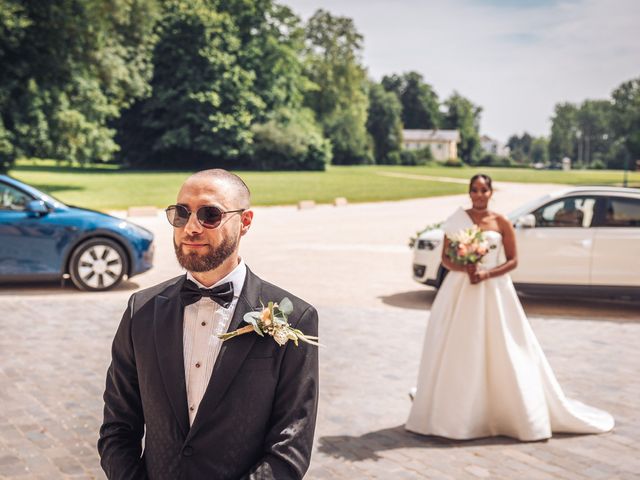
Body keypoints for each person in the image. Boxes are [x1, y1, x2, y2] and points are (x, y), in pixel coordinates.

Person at [98, 169, 319, 479]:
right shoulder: (141, 310)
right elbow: (118, 427)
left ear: (245, 222)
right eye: (181, 213)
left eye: (209, 215)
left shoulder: (296, 316)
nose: (191, 227)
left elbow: (290, 447)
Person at [405, 174, 614, 441]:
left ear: (491, 192)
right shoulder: (458, 220)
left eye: (484, 190)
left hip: (493, 290)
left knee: (501, 343)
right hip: (459, 291)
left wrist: (486, 274)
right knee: (458, 344)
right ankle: (454, 408)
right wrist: (464, 268)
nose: (479, 194)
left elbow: (513, 261)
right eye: (474, 190)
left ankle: (501, 406)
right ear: (469, 193)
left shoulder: (501, 222)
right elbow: (446, 258)